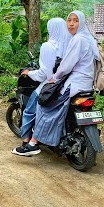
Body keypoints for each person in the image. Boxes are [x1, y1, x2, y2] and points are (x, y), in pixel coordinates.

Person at [11, 10, 99, 156]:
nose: (71, 24)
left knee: (46, 107)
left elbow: (66, 66)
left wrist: (55, 78)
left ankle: (32, 143)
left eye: (75, 21)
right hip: (87, 84)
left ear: (81, 23)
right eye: (69, 20)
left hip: (74, 84)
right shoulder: (88, 39)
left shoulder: (77, 40)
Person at [11, 18, 71, 155]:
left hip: (50, 86)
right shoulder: (71, 44)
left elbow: (44, 74)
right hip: (68, 85)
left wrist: (29, 73)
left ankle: (27, 142)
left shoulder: (48, 46)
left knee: (29, 111)